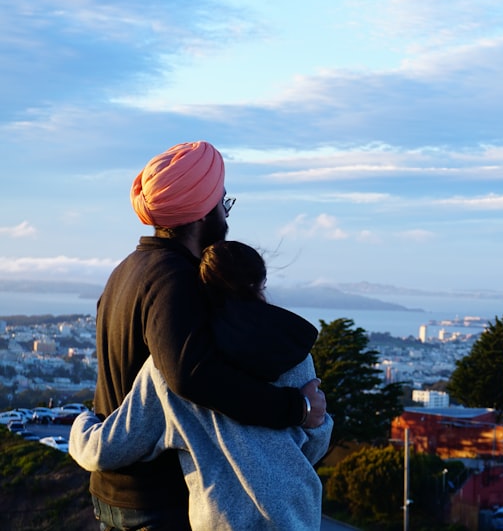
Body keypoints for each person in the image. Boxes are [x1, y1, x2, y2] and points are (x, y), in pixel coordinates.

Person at [88, 141, 326, 530]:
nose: (226, 215)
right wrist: (294, 408)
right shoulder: (176, 279)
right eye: (223, 204)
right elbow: (191, 375)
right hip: (157, 500)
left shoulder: (126, 270)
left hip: (115, 489)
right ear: (202, 215)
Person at [72, 241, 332, 530]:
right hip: (296, 518)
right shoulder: (293, 353)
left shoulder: (168, 368)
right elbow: (314, 442)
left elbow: (108, 449)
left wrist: (81, 421)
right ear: (259, 285)